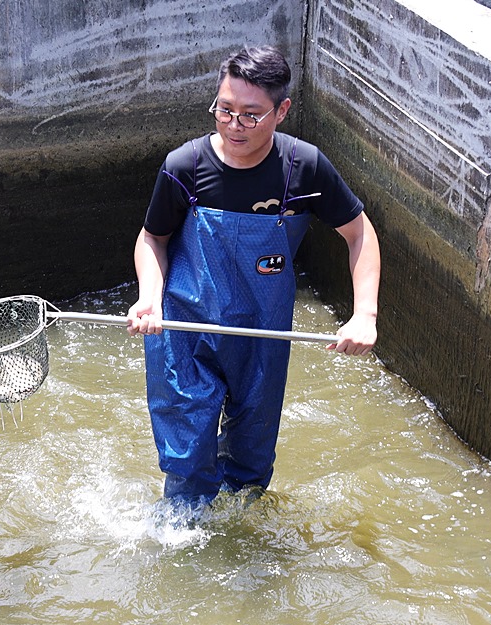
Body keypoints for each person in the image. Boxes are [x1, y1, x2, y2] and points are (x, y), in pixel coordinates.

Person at [126, 45, 380, 513]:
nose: (234, 125)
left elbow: (359, 231)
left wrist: (364, 313)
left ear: (281, 111)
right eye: (225, 110)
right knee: (188, 463)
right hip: (185, 329)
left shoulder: (304, 168)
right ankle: (185, 547)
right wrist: (149, 299)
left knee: (250, 468)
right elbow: (152, 239)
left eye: (250, 115)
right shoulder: (185, 166)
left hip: (261, 332)